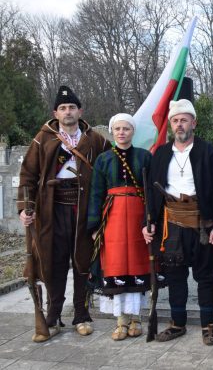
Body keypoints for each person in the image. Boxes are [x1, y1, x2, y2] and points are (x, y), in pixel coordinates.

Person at [17, 85, 109, 342]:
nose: (68, 112)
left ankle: (81, 315)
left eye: (72, 107)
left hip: (84, 210)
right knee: (53, 262)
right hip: (52, 210)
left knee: (82, 261)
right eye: (63, 108)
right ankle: (54, 316)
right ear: (55, 113)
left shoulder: (97, 140)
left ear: (80, 111)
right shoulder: (42, 139)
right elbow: (28, 175)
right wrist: (25, 208)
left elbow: (109, 168)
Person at [142, 99, 213, 345]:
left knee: (206, 275)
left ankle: (208, 326)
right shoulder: (161, 154)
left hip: (203, 224)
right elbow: (152, 193)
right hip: (171, 225)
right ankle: (177, 324)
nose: (179, 125)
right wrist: (148, 222)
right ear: (171, 125)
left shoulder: (207, 152)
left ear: (194, 123)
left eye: (184, 120)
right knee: (175, 275)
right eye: (175, 121)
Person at [87, 114, 151, 341]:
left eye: (126, 128)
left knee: (137, 263)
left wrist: (149, 220)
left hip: (138, 219)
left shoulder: (144, 156)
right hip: (112, 218)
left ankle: (137, 319)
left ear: (133, 131)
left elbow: (151, 192)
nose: (121, 132)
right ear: (112, 132)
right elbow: (96, 193)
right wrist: (94, 225)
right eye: (117, 129)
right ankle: (121, 321)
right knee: (116, 264)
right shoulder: (103, 159)